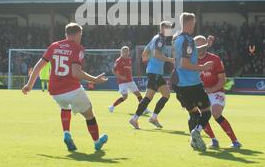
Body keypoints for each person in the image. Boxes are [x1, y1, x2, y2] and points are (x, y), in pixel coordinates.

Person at [22, 23, 108, 152]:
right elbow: (76, 72)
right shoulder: (77, 48)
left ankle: (67, 133)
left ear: (66, 34)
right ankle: (96, 142)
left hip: (55, 91)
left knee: (65, 107)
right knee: (89, 114)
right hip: (72, 89)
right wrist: (94, 80)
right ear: (78, 34)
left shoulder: (54, 46)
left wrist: (29, 84)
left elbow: (39, 66)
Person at [173, 13, 213, 152]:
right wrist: (203, 67)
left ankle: (194, 142)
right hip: (192, 83)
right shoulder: (189, 40)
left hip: (180, 85)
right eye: (193, 24)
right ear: (189, 24)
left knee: (193, 114)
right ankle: (196, 132)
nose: (194, 26)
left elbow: (190, 53)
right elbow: (185, 63)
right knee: (207, 112)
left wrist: (206, 45)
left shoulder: (177, 39)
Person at [195, 35, 242, 149]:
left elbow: (222, 80)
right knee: (201, 116)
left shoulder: (215, 59)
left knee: (216, 113)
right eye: (195, 45)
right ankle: (213, 140)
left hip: (216, 92)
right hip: (201, 93)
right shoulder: (192, 61)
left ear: (205, 46)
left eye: (200, 44)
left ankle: (235, 141)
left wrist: (210, 90)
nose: (197, 47)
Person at [129, 21, 174, 130]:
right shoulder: (160, 40)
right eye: (169, 28)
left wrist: (146, 58)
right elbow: (157, 54)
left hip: (155, 72)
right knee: (149, 97)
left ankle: (153, 117)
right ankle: (135, 119)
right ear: (163, 28)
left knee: (166, 94)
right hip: (155, 72)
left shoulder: (155, 38)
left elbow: (145, 52)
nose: (170, 31)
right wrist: (170, 60)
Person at [109, 46, 151, 114]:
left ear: (128, 52)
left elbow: (129, 70)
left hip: (130, 81)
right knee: (125, 97)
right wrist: (121, 77)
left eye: (127, 51)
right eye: (124, 51)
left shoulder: (129, 59)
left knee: (138, 94)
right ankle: (112, 106)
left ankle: (144, 109)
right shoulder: (119, 61)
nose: (125, 53)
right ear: (121, 52)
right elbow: (113, 70)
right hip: (122, 82)